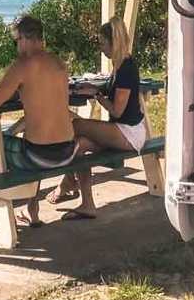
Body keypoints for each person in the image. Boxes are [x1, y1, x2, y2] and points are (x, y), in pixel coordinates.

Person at [0, 15, 76, 227]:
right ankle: (31, 209)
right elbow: (41, 95)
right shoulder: (58, 62)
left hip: (40, 156)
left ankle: (4, 218)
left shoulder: (22, 65)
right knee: (31, 137)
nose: (16, 46)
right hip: (67, 152)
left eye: (15, 41)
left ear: (24, 38)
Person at [52, 17, 143, 221]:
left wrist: (97, 95)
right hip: (122, 129)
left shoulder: (126, 68)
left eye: (103, 43)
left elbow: (118, 111)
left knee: (76, 125)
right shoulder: (119, 65)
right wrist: (96, 89)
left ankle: (57, 170)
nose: (101, 48)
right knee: (80, 144)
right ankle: (87, 204)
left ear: (114, 43)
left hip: (129, 132)